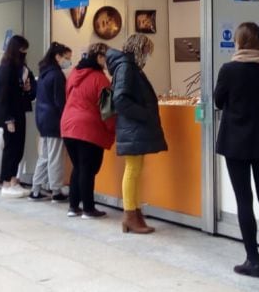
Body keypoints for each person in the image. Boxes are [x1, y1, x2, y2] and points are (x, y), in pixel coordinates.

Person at [214, 22, 259, 283]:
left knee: (244, 201)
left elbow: (218, 100)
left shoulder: (228, 70)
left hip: (235, 143)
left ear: (239, 43)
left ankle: (253, 260)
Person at [108, 34, 167, 234]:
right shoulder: (126, 67)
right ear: (139, 49)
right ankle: (130, 215)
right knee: (132, 170)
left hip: (132, 128)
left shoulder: (128, 67)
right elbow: (121, 99)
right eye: (146, 52)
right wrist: (144, 114)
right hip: (133, 127)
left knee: (135, 170)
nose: (147, 56)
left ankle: (134, 213)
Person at [60, 43, 115, 219]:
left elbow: (68, 97)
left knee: (78, 167)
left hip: (68, 125)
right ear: (99, 57)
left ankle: (73, 206)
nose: (107, 62)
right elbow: (107, 109)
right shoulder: (100, 79)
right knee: (88, 169)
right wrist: (112, 128)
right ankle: (89, 208)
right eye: (105, 57)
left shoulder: (74, 73)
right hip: (87, 128)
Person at [0, 35, 35, 198]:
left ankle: (12, 181)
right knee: (11, 149)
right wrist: (8, 119)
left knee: (18, 149)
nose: (25, 53)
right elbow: (4, 96)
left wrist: (26, 89)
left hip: (19, 111)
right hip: (11, 115)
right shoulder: (7, 68)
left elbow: (20, 93)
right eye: (23, 49)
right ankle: (6, 183)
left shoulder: (18, 68)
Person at [30, 41, 72, 201]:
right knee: (55, 156)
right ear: (57, 57)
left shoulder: (44, 73)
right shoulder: (56, 75)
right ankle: (56, 190)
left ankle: (36, 189)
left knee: (45, 156)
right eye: (66, 58)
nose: (67, 62)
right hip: (54, 119)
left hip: (43, 119)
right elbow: (59, 101)